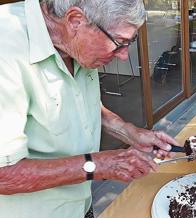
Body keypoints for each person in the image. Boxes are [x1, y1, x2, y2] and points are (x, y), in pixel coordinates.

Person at [0, 0, 180, 218]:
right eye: (119, 42)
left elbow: (83, 102)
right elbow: (3, 174)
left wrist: (129, 131)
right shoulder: (6, 49)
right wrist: (99, 164)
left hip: (80, 204)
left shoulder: (74, 40)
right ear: (76, 21)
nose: (123, 55)